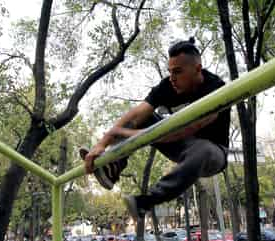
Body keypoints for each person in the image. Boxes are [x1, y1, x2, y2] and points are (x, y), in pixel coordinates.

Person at [83, 37, 230, 220]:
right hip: (179, 144)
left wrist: (129, 134)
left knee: (201, 149)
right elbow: (137, 114)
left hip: (213, 152)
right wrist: (103, 143)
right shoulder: (167, 86)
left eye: (178, 72)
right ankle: (113, 166)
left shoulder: (215, 88)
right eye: (170, 72)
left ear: (197, 69)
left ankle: (146, 202)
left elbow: (182, 131)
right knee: (142, 118)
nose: (172, 79)